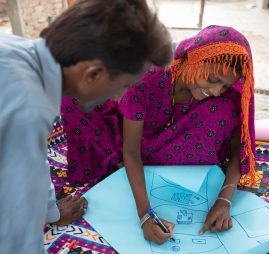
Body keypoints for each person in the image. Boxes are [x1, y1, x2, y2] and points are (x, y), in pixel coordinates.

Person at [0, 0, 172, 253]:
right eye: (124, 86)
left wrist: (51, 211)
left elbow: (33, 164)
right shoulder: (28, 107)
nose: (118, 98)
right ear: (93, 74)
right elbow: (16, 228)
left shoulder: (16, 48)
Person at [60, 25, 255, 244]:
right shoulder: (147, 77)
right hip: (128, 137)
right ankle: (118, 167)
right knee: (73, 96)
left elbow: (241, 146)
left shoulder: (217, 98)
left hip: (166, 143)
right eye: (212, 79)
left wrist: (224, 201)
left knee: (224, 110)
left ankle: (143, 170)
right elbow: (131, 151)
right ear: (192, 59)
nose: (216, 90)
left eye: (225, 86)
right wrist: (145, 214)